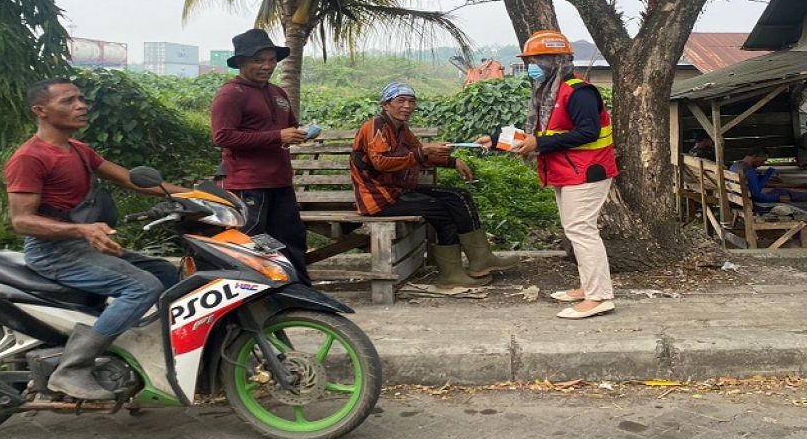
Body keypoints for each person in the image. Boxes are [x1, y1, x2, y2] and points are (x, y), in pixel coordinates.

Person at [5, 78, 190, 400]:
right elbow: (21, 221)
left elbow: (134, 181)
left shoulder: (79, 151)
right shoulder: (30, 157)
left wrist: (199, 196)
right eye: (68, 101)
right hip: (53, 251)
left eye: (81, 99)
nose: (81, 106)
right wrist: (83, 230)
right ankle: (72, 367)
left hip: (81, 245)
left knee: (167, 274)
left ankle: (158, 351)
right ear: (41, 111)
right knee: (142, 286)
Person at [477, 30, 616, 320]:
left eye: (537, 58)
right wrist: (495, 139)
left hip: (587, 172)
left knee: (581, 229)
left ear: (556, 59)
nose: (532, 65)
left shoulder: (579, 92)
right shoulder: (547, 93)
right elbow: (538, 135)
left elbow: (587, 131)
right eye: (530, 59)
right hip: (566, 171)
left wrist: (538, 144)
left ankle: (600, 296)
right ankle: (589, 287)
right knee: (575, 230)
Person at [350, 82, 517, 288]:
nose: (407, 106)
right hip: (379, 198)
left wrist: (452, 161)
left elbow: (419, 153)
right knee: (440, 210)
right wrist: (424, 151)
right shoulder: (375, 127)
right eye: (400, 101)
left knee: (459, 197)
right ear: (385, 105)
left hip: (398, 191)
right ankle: (450, 274)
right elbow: (381, 162)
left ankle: (481, 260)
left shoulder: (402, 129)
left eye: (411, 101)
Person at [210, 28, 310, 283]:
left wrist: (300, 134)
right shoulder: (231, 94)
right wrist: (278, 136)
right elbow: (222, 137)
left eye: (271, 60)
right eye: (258, 60)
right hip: (248, 184)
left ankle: (297, 290)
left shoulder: (278, 93)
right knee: (252, 241)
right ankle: (253, 296)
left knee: (291, 238)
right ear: (241, 62)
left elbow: (288, 127)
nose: (267, 66)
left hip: (280, 181)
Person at [730, 148, 807, 212]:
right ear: (755, 157)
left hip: (738, 200)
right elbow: (757, 195)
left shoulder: (735, 166)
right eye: (763, 160)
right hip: (754, 204)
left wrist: (766, 175)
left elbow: (755, 187)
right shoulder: (749, 171)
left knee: (780, 190)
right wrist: (777, 199)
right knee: (801, 207)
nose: (763, 163)